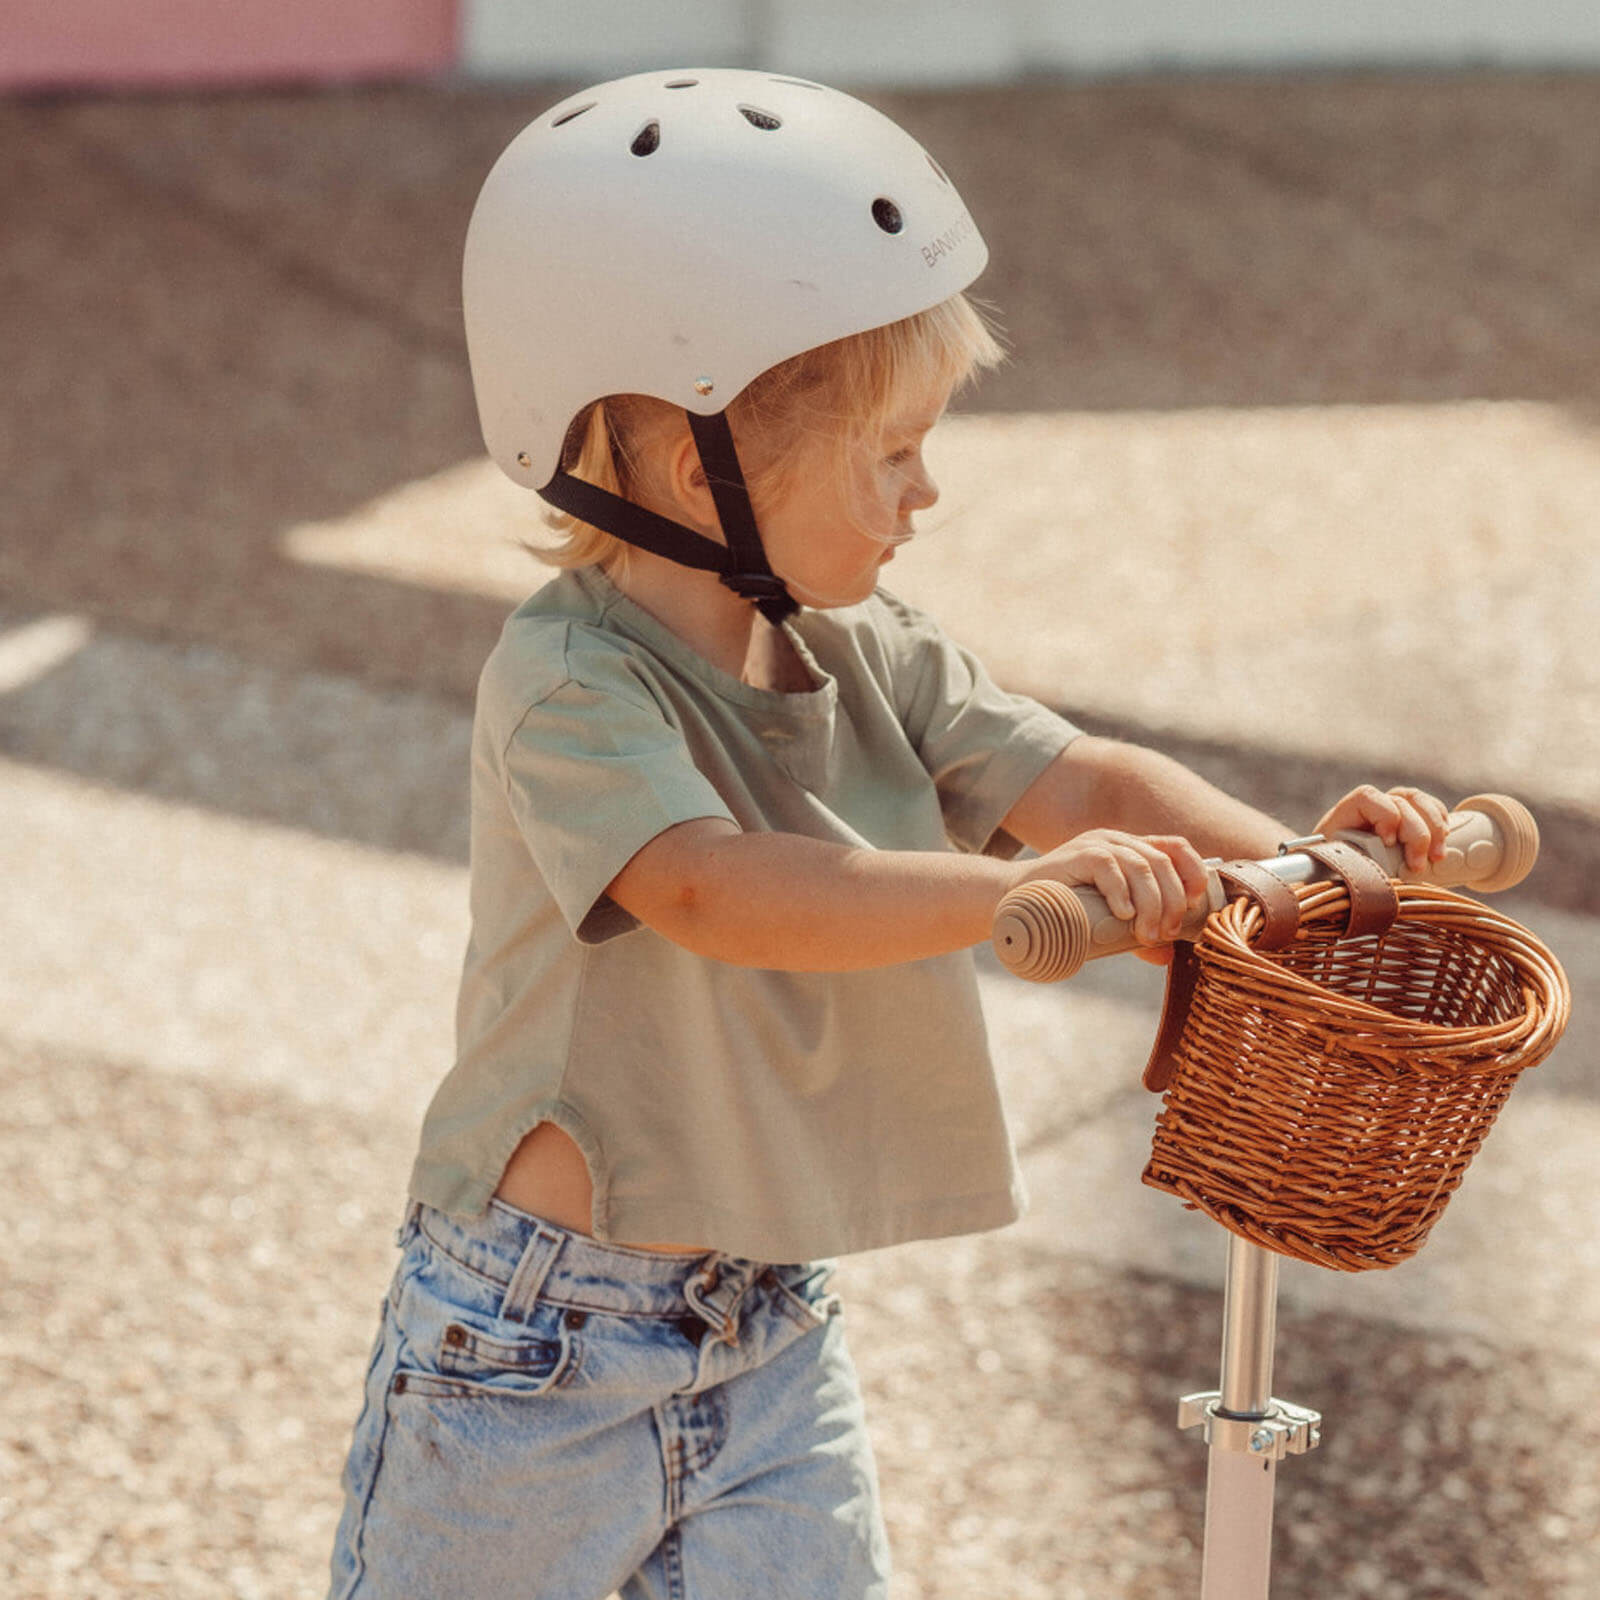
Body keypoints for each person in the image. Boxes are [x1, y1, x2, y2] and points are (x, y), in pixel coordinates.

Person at [327, 68, 1450, 1600]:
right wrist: (1004, 902)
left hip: (768, 1322)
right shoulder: (569, 683)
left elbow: (1088, 781)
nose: (928, 491)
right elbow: (722, 888)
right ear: (685, 463)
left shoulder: (872, 652)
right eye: (890, 448)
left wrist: (1318, 862)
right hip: (536, 1341)